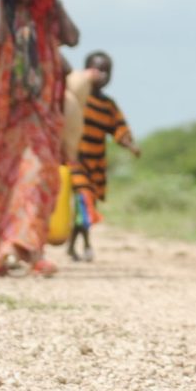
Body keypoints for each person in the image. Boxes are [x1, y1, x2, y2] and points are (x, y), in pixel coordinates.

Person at [0, 0, 79, 277]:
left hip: (39, 109)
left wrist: (56, 2)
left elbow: (72, 39)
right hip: (2, 111)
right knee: (1, 183)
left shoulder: (45, 11)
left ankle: (34, 251)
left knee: (37, 177)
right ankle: (4, 249)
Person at [65, 51, 140, 263]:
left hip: (95, 163)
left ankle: (73, 246)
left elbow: (118, 128)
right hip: (74, 159)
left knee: (88, 206)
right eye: (98, 69)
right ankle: (85, 245)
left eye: (107, 71)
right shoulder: (77, 98)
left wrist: (131, 145)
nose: (103, 75)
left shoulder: (108, 106)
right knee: (85, 202)